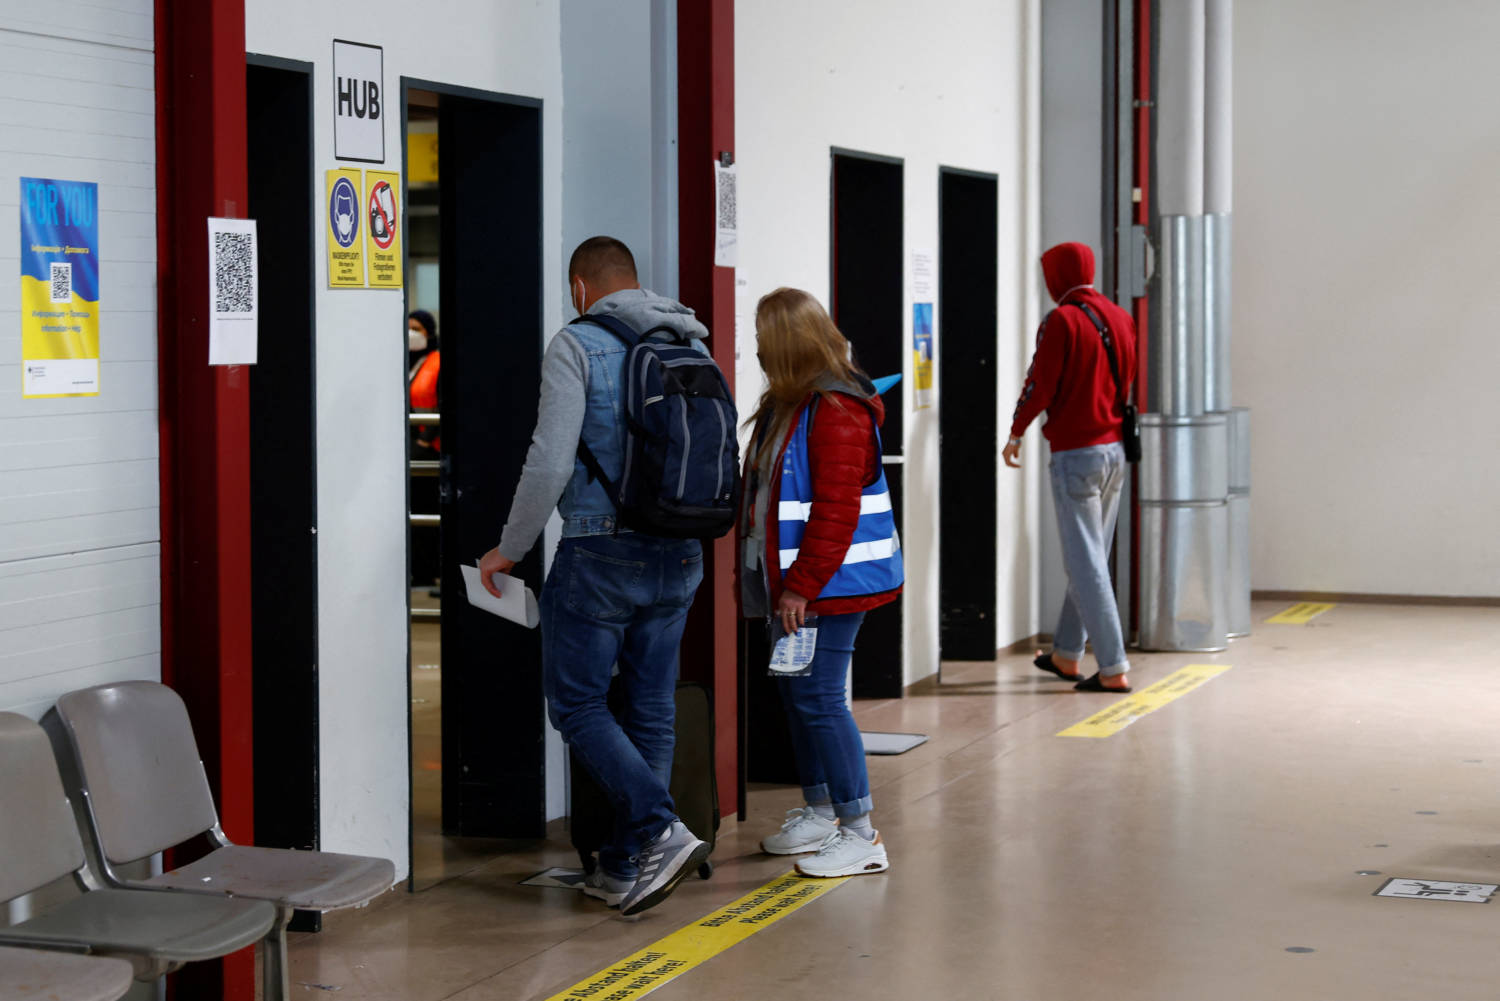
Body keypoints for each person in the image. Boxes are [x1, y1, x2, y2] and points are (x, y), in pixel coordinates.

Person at [478, 237, 710, 917]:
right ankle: (622, 863)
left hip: (601, 551)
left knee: (577, 705)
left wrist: (509, 547)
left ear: (582, 285)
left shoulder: (577, 344)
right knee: (652, 705)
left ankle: (658, 828)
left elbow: (550, 461)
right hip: (682, 551)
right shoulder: (689, 339)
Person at [738, 287, 903, 878]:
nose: (755, 351)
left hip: (828, 584)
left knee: (821, 698)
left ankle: (861, 833)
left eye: (761, 341)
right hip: (800, 584)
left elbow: (836, 510)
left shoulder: (835, 411)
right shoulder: (793, 405)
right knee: (798, 695)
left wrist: (800, 586)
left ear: (786, 345)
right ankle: (819, 809)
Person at [1003, 242, 1138, 693]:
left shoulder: (1061, 320)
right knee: (1092, 556)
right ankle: (1066, 654)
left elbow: (1040, 383)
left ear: (1056, 276)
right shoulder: (1120, 317)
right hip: (1115, 451)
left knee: (1084, 564)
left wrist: (1017, 430)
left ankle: (1114, 665)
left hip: (1076, 454)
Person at [408, 309, 441, 456]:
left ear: (428, 332)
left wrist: (424, 440)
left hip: (432, 444)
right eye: (407, 329)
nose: (410, 333)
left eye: (416, 329)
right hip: (413, 439)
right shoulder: (408, 363)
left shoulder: (437, 362)